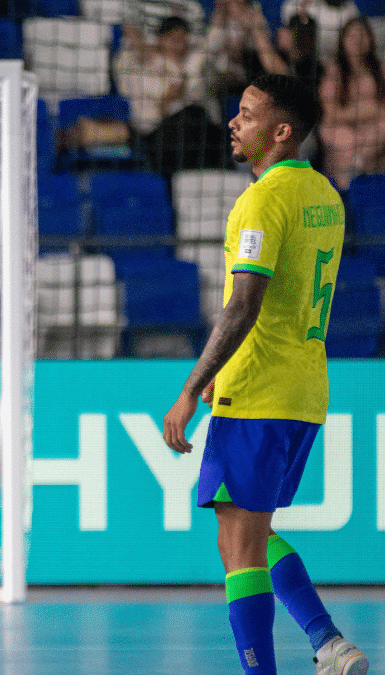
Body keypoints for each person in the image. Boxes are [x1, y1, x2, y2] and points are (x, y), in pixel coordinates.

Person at [162, 73, 368, 675]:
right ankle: (328, 643)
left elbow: (244, 303)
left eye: (248, 114)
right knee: (243, 530)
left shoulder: (262, 199)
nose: (234, 121)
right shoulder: (326, 195)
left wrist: (190, 389)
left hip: (255, 389)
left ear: (281, 132)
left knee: (240, 544)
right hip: (304, 390)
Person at [115, 16, 228, 177]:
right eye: (173, 40)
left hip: (201, 133)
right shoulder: (147, 68)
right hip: (162, 137)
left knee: (199, 119)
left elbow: (213, 47)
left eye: (183, 40)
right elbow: (161, 107)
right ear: (160, 40)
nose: (179, 45)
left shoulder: (195, 63)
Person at [317, 16, 385, 190]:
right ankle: (347, 189)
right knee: (339, 136)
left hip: (374, 131)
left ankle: (361, 167)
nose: (357, 41)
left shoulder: (381, 70)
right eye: (352, 36)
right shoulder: (333, 71)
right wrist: (369, 111)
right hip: (342, 129)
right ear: (343, 40)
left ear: (371, 39)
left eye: (362, 35)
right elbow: (330, 113)